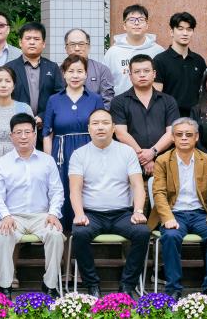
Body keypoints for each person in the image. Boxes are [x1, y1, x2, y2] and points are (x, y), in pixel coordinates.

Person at [69, 109, 151, 297]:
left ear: (113, 128)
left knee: (142, 232)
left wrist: (138, 210)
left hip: (122, 213)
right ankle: (92, 285)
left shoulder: (127, 152)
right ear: (88, 128)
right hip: (92, 214)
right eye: (95, 123)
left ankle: (127, 286)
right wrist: (79, 214)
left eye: (105, 123)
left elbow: (138, 186)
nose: (100, 127)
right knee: (79, 233)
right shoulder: (79, 154)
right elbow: (75, 189)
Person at [150, 118, 207, 299]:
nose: (184, 138)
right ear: (173, 138)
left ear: (196, 137)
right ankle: (174, 289)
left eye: (188, 134)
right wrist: (167, 218)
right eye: (179, 134)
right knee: (170, 236)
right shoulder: (162, 160)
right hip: (174, 213)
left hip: (200, 213)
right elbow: (159, 193)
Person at [0, 113, 64, 297]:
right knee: (3, 235)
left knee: (55, 235)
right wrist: (5, 215)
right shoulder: (2, 164)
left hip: (42, 216)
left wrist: (53, 213)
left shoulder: (47, 161)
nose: (23, 136)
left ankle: (50, 285)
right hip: (13, 217)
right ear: (11, 136)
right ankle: (5, 286)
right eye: (18, 132)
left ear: (34, 134)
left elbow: (57, 191)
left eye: (27, 132)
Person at [42, 55, 102, 229]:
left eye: (80, 71)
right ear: (64, 74)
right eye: (71, 71)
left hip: (89, 151)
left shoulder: (95, 98)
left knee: (87, 189)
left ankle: (85, 231)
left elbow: (102, 127)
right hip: (61, 153)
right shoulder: (54, 99)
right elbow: (47, 133)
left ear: (86, 74)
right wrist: (49, 161)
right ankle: (61, 233)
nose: (75, 75)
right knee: (62, 191)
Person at [0, 66, 32, 235]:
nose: (3, 85)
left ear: (14, 85)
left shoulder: (24, 108)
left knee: (16, 196)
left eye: (7, 81)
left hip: (18, 158)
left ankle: (17, 236)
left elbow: (31, 136)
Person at [110, 54, 179, 177]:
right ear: (130, 76)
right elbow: (120, 134)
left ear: (154, 74)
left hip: (164, 162)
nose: (142, 75)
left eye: (146, 71)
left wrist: (153, 152)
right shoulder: (119, 102)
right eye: (137, 72)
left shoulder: (168, 101)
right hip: (129, 163)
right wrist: (144, 157)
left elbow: (171, 133)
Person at [103, 4, 164, 96]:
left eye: (141, 19)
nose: (136, 23)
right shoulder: (112, 52)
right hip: (120, 103)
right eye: (131, 20)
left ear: (147, 25)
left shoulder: (158, 51)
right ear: (124, 25)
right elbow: (105, 84)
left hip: (152, 103)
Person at [152, 12, 207, 113]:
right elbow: (156, 96)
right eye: (180, 29)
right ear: (171, 32)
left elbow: (204, 92)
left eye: (189, 29)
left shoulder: (199, 61)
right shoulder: (160, 60)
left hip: (195, 117)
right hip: (170, 116)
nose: (185, 33)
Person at [5, 22, 61, 120]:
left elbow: (60, 96)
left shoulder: (52, 67)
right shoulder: (9, 68)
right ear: (20, 42)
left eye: (36, 39)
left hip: (46, 123)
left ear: (43, 44)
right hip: (17, 122)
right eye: (28, 38)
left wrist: (43, 116)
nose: (32, 42)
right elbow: (4, 96)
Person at [64, 28, 116, 107]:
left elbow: (107, 100)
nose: (77, 48)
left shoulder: (102, 70)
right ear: (66, 48)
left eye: (81, 44)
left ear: (88, 47)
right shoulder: (59, 71)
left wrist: (97, 114)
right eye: (72, 44)